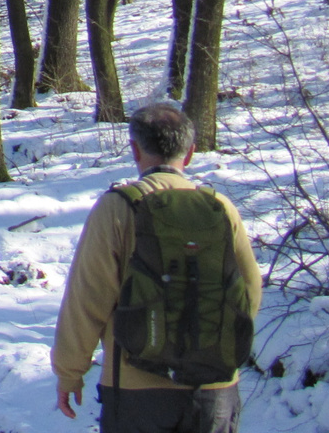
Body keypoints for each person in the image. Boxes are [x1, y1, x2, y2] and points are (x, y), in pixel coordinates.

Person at [53, 101, 262, 433]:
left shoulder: (117, 209)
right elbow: (249, 291)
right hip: (214, 390)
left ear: (135, 150)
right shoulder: (220, 207)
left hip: (136, 390)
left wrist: (69, 372)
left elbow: (87, 299)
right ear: (190, 152)